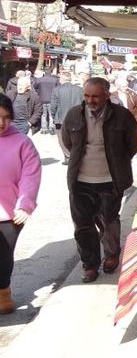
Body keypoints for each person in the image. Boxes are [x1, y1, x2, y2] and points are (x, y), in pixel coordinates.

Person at [61, 78, 137, 283]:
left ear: (107, 95)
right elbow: (68, 142)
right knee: (83, 226)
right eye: (87, 96)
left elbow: (132, 145)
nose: (90, 100)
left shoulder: (122, 116)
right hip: (80, 181)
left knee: (109, 221)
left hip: (110, 180)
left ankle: (112, 254)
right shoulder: (73, 115)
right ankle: (90, 265)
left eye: (95, 96)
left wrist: (117, 164)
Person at [0, 94, 41, 314]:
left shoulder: (22, 142)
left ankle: (3, 292)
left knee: (3, 255)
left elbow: (30, 176)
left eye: (6, 117)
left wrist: (25, 204)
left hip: (10, 213)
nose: (1, 123)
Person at [50, 72, 84, 165]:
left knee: (62, 139)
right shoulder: (79, 90)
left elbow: (53, 106)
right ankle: (74, 156)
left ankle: (68, 156)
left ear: (62, 79)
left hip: (61, 119)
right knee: (75, 138)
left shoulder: (57, 90)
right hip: (76, 118)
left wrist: (53, 117)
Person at [33, 69, 59, 135]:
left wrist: (39, 93)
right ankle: (51, 129)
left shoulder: (39, 80)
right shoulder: (55, 80)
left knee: (43, 115)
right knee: (51, 115)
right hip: (52, 99)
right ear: (51, 73)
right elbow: (58, 88)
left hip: (41, 99)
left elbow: (34, 87)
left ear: (44, 72)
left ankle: (44, 129)